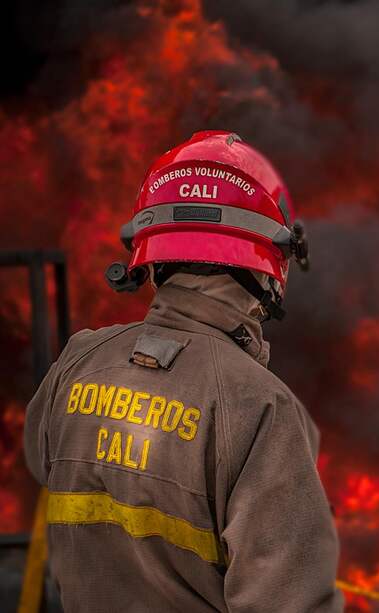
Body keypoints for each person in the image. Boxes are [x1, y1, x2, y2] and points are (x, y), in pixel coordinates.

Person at [24, 131, 343, 612]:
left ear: (150, 251)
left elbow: (41, 461)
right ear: (267, 264)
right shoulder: (259, 406)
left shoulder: (78, 361)